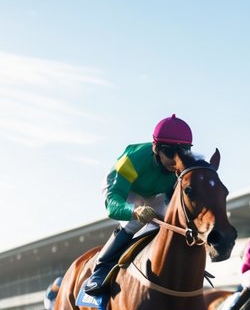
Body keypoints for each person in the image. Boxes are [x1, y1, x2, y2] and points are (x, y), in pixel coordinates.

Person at [82, 114, 194, 296]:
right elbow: (113, 204)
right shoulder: (133, 160)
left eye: (183, 152)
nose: (176, 161)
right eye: (171, 153)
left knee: (173, 223)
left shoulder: (179, 165)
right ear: (156, 148)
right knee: (135, 222)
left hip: (153, 192)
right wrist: (135, 211)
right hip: (123, 190)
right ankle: (101, 268)